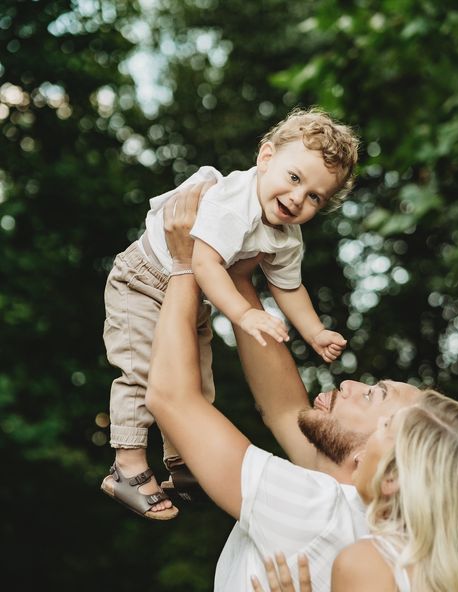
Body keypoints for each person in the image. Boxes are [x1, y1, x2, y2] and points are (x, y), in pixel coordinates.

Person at [143, 182, 429, 591]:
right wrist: (241, 280)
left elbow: (170, 396)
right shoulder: (351, 505)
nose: (349, 383)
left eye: (372, 395)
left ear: (375, 458)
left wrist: (186, 264)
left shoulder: (320, 509)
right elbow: (282, 407)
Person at [101, 106, 359, 519]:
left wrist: (313, 332)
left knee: (197, 374)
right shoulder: (234, 202)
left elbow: (287, 286)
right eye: (294, 178)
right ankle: (127, 465)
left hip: (192, 292)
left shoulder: (286, 236)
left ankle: (182, 462)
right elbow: (201, 263)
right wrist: (244, 314)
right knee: (142, 371)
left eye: (315, 197)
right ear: (266, 157)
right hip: (143, 281)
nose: (297, 199)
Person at [251, 391, 458, 592]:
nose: (380, 422)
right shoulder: (446, 570)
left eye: (386, 425)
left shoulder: (366, 562)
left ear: (390, 477)